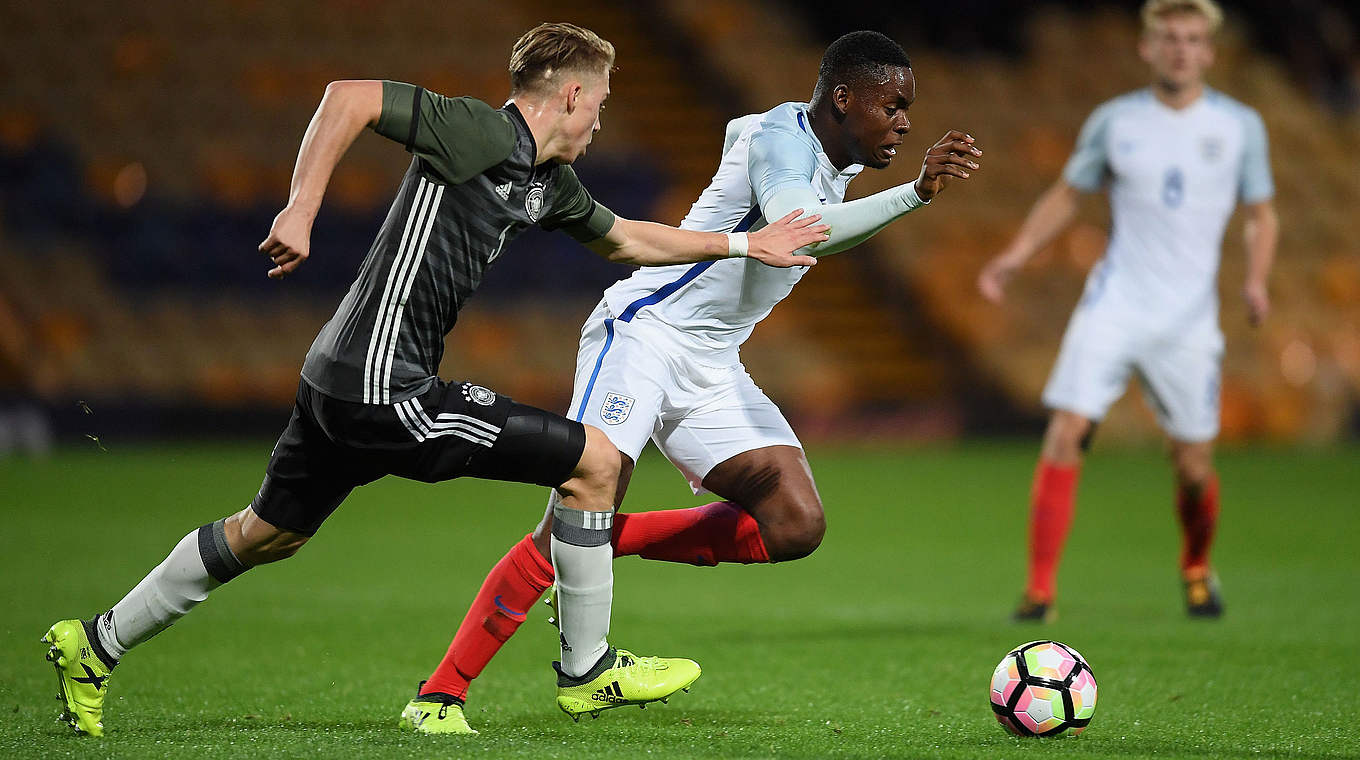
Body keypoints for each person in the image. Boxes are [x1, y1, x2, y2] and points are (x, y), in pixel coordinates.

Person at [40, 22, 831, 738]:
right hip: (386, 389)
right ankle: (586, 671)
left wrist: (740, 246)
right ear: (574, 93)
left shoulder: (545, 181)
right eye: (601, 105)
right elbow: (346, 98)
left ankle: (96, 643)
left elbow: (625, 240)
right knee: (592, 461)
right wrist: (300, 209)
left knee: (267, 532)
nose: (601, 124)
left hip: (335, 377)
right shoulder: (481, 131)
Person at [402, 30, 984, 733]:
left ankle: (600, 541)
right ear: (843, 97)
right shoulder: (782, 139)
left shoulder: (827, 152)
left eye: (908, 109)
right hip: (644, 333)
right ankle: (440, 694)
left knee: (794, 522)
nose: (904, 121)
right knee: (577, 500)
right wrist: (916, 192)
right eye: (893, 105)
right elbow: (808, 229)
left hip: (711, 360)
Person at [976, 0, 1278, 622]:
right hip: (1114, 302)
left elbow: (1261, 213)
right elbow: (1069, 193)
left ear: (1210, 52)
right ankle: (1039, 592)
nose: (1181, 49)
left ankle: (1195, 565)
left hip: (1189, 319)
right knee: (1064, 433)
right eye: (1169, 37)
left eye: (1193, 39)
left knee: (1193, 466)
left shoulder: (1239, 126)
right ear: (1147, 47)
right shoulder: (1116, 122)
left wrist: (1255, 280)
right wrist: (1017, 253)